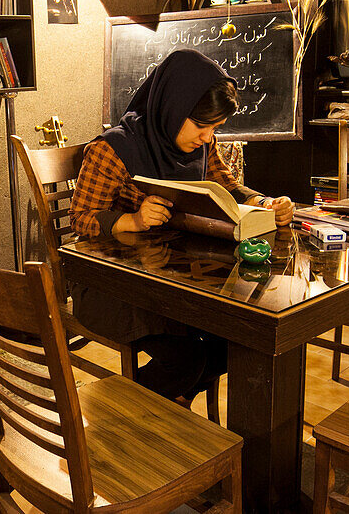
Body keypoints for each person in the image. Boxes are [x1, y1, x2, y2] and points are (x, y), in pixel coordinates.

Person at [69, 49, 293, 402]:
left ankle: (171, 407)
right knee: (188, 359)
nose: (207, 138)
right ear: (173, 107)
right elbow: (80, 219)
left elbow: (228, 187)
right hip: (116, 285)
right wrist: (133, 219)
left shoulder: (201, 146)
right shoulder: (113, 149)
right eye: (202, 126)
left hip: (179, 279)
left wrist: (265, 203)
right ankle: (117, 411)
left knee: (239, 342)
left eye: (215, 128)